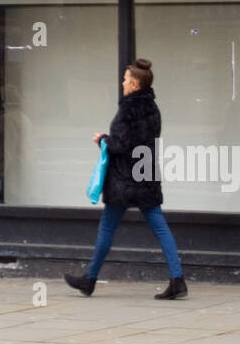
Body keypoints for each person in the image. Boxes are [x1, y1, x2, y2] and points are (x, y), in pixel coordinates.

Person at [64, 58, 188, 300]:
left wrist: (102, 140)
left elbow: (121, 145)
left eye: (125, 79)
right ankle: (177, 279)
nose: (122, 83)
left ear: (134, 84)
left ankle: (89, 280)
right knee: (160, 227)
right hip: (146, 172)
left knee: (108, 227)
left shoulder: (127, 109)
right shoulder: (153, 108)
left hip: (124, 177)